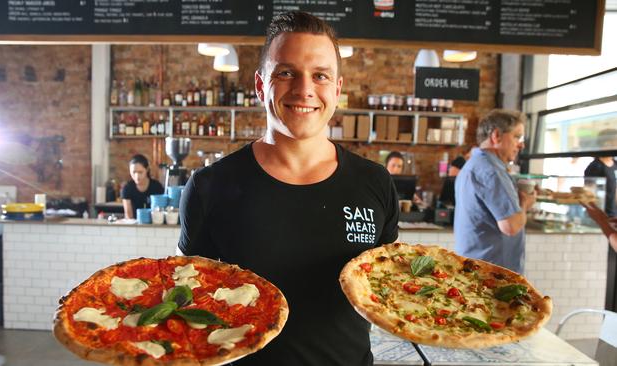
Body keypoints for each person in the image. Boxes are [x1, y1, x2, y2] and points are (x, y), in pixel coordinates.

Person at [178, 11, 399, 366]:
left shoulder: (375, 183)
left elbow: (388, 287)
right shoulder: (209, 187)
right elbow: (190, 298)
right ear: (260, 85)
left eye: (321, 75)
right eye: (286, 72)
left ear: (337, 90)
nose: (304, 89)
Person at [454, 109, 536, 274]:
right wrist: (525, 204)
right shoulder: (491, 171)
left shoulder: (473, 164)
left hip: (476, 267)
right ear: (496, 136)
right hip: (492, 274)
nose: (521, 144)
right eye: (516, 136)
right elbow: (510, 226)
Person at [584, 129, 617, 218]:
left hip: (614, 214)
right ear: (607, 143)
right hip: (601, 216)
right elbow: (589, 194)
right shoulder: (595, 166)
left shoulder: (615, 164)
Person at [121, 154, 164, 219]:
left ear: (147, 170)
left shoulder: (157, 187)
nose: (137, 176)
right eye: (134, 172)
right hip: (135, 226)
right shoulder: (127, 189)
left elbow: (162, 210)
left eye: (140, 172)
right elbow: (129, 216)